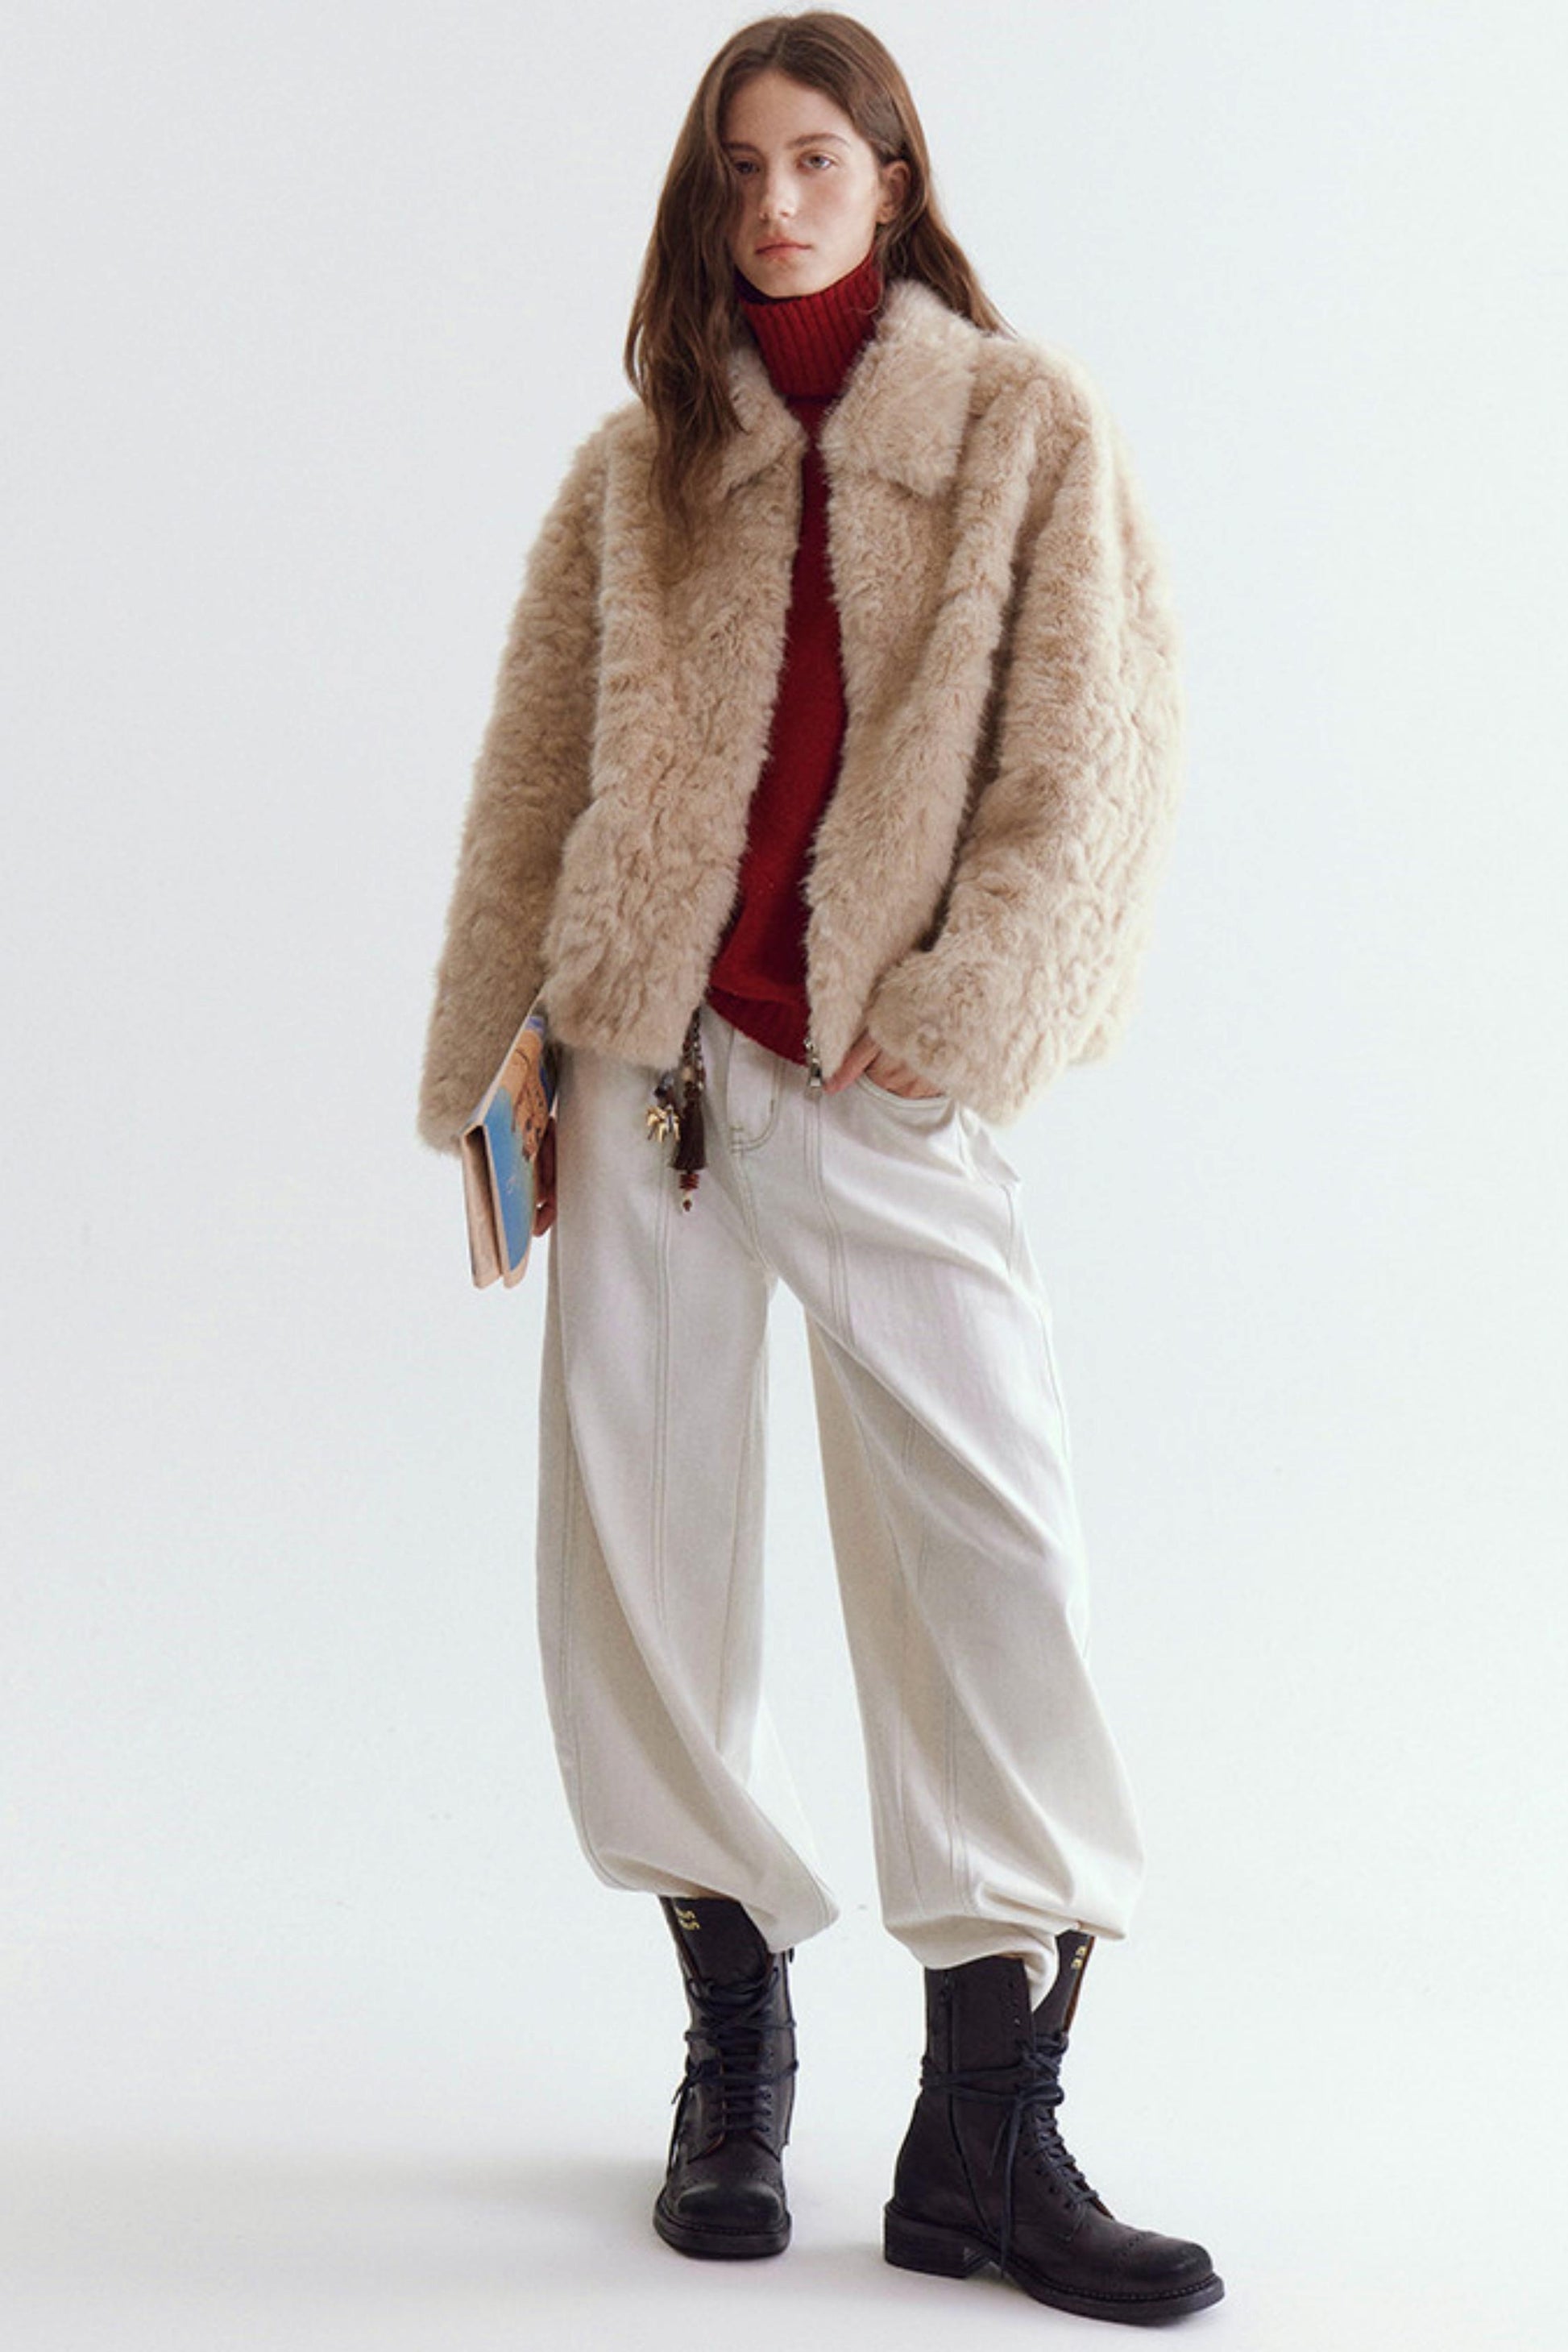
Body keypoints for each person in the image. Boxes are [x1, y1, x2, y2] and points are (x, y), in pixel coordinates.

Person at [417, 9, 1222, 2325]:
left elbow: (1095, 762)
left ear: (891, 177)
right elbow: (534, 780)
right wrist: (495, 1068)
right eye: (737, 170)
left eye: (813, 162)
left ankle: (988, 2128)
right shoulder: (638, 469)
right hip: (643, 1078)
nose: (772, 204)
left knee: (992, 1553)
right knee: (644, 1562)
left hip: (876, 1079)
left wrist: (963, 1007)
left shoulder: (1018, 431)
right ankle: (734, 2042)